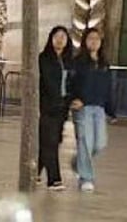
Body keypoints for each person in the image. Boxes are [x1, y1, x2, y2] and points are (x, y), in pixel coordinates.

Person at [68, 26, 115, 193]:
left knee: (99, 144)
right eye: (90, 38)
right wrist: (74, 99)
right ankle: (86, 178)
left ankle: (77, 163)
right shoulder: (77, 62)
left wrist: (111, 110)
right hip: (83, 108)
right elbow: (70, 84)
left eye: (97, 39)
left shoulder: (104, 64)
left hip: (99, 108)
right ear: (84, 41)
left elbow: (108, 88)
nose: (94, 42)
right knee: (85, 142)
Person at [37, 26, 75, 192]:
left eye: (63, 37)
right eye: (57, 36)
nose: (60, 40)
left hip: (62, 108)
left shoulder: (69, 61)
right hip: (47, 106)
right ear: (51, 39)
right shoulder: (43, 59)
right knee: (50, 142)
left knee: (52, 141)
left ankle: (35, 170)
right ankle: (54, 179)